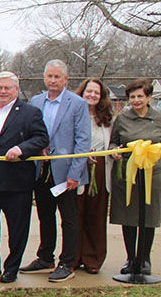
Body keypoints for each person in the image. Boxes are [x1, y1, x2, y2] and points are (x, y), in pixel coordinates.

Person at [0, 71, 48, 284]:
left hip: (16, 182)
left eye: (7, 88)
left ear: (16, 89)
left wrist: (21, 148)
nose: (3, 91)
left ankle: (11, 268)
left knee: (17, 228)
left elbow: (42, 138)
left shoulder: (30, 112)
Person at [23, 59, 91, 282]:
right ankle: (45, 257)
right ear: (44, 77)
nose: (53, 81)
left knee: (68, 218)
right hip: (41, 169)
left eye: (57, 77)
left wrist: (75, 174)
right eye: (49, 76)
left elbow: (83, 141)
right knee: (45, 215)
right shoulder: (36, 101)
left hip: (65, 173)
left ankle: (67, 263)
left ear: (65, 79)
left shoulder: (77, 104)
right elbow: (31, 132)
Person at [109, 78, 160, 276]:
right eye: (132, 97)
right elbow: (114, 143)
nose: (136, 100)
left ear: (148, 97)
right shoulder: (122, 118)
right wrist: (114, 151)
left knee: (149, 215)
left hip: (152, 173)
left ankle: (144, 259)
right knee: (128, 216)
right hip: (127, 174)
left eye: (140, 96)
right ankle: (131, 258)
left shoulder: (158, 118)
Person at [74, 77, 113, 274]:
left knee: (96, 215)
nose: (92, 95)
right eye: (89, 91)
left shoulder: (107, 119)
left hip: (99, 169)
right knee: (76, 214)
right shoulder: (73, 114)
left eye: (97, 92)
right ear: (82, 93)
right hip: (77, 169)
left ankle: (93, 259)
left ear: (102, 96)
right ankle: (73, 257)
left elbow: (113, 143)